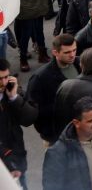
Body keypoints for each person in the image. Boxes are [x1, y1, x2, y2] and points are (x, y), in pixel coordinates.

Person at [27, 33, 79, 145]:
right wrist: (49, 135)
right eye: (67, 52)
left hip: (79, 130)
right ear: (55, 52)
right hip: (57, 138)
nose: (72, 55)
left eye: (74, 50)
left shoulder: (80, 64)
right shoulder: (40, 78)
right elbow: (34, 111)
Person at [0, 57, 37, 186]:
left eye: (6, 77)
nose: (4, 83)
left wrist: (15, 98)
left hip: (17, 157)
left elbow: (29, 119)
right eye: (0, 79)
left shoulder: (12, 91)